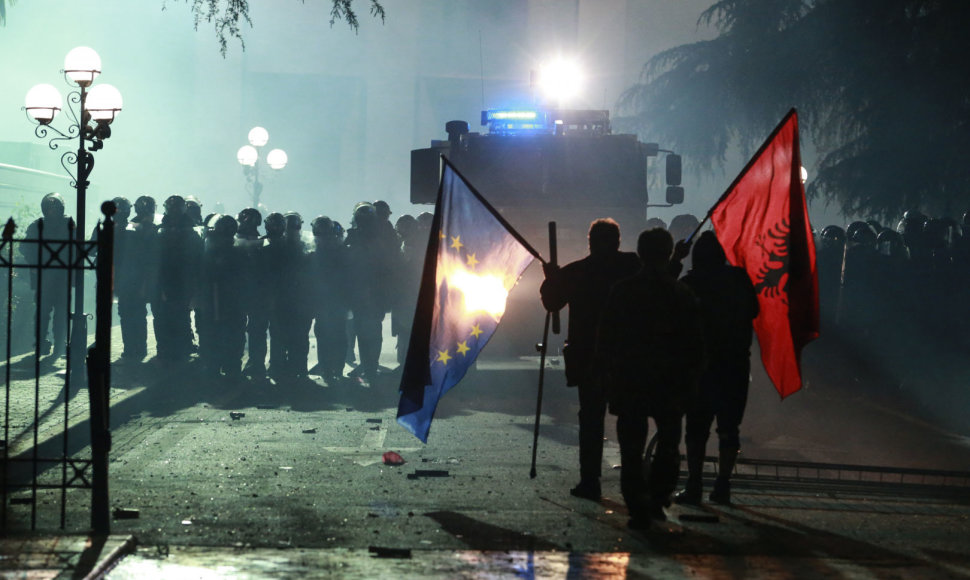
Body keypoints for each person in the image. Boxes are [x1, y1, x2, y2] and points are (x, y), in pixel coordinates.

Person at [596, 227, 705, 528]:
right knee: (668, 445)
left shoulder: (623, 291)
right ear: (668, 253)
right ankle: (658, 498)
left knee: (631, 448)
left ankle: (636, 504)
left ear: (641, 253)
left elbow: (606, 339)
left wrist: (609, 375)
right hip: (669, 384)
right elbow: (694, 345)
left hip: (631, 380)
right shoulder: (681, 293)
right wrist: (690, 384)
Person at [539, 218, 641, 501]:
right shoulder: (633, 267)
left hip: (590, 357)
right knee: (630, 419)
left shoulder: (578, 272)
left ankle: (590, 480)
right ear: (618, 241)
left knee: (591, 419)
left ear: (590, 242)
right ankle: (632, 481)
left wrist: (550, 277)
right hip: (626, 357)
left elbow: (551, 302)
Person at [674, 231, 758, 506]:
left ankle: (694, 482)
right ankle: (723, 484)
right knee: (729, 428)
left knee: (696, 429)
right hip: (734, 364)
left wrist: (676, 259)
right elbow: (754, 311)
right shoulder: (739, 279)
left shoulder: (690, 283)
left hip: (700, 366)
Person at [21, 193, 73, 357]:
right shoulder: (37, 226)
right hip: (46, 277)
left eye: (54, 208)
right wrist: (34, 263)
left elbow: (75, 248)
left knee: (60, 313)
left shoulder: (67, 224)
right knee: (43, 313)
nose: (51, 211)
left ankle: (59, 343)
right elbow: (25, 247)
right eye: (49, 208)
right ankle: (41, 343)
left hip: (61, 276)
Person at [153, 195, 203, 363]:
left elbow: (196, 260)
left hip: (183, 280)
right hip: (165, 279)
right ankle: (166, 350)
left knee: (180, 316)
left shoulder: (191, 231)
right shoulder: (161, 229)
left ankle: (178, 350)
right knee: (163, 317)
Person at [196, 214, 246, 379]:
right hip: (226, 302)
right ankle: (228, 367)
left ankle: (216, 366)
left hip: (222, 301)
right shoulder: (236, 252)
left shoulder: (211, 252)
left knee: (215, 334)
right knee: (228, 334)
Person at [309, 216, 350, 384]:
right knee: (338, 335)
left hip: (325, 302)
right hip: (335, 302)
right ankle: (335, 369)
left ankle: (328, 368)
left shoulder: (314, 254)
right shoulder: (341, 253)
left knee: (325, 335)